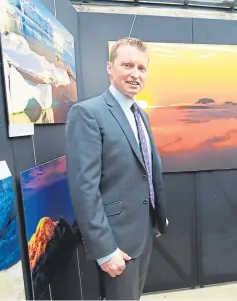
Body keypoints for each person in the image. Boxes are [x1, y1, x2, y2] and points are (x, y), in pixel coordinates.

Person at [65, 37, 168, 300]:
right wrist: (105, 250)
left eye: (142, 68)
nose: (135, 74)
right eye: (127, 65)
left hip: (143, 232)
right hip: (116, 240)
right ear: (110, 67)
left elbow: (145, 170)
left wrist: (156, 216)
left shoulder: (140, 113)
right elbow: (84, 189)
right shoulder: (87, 113)